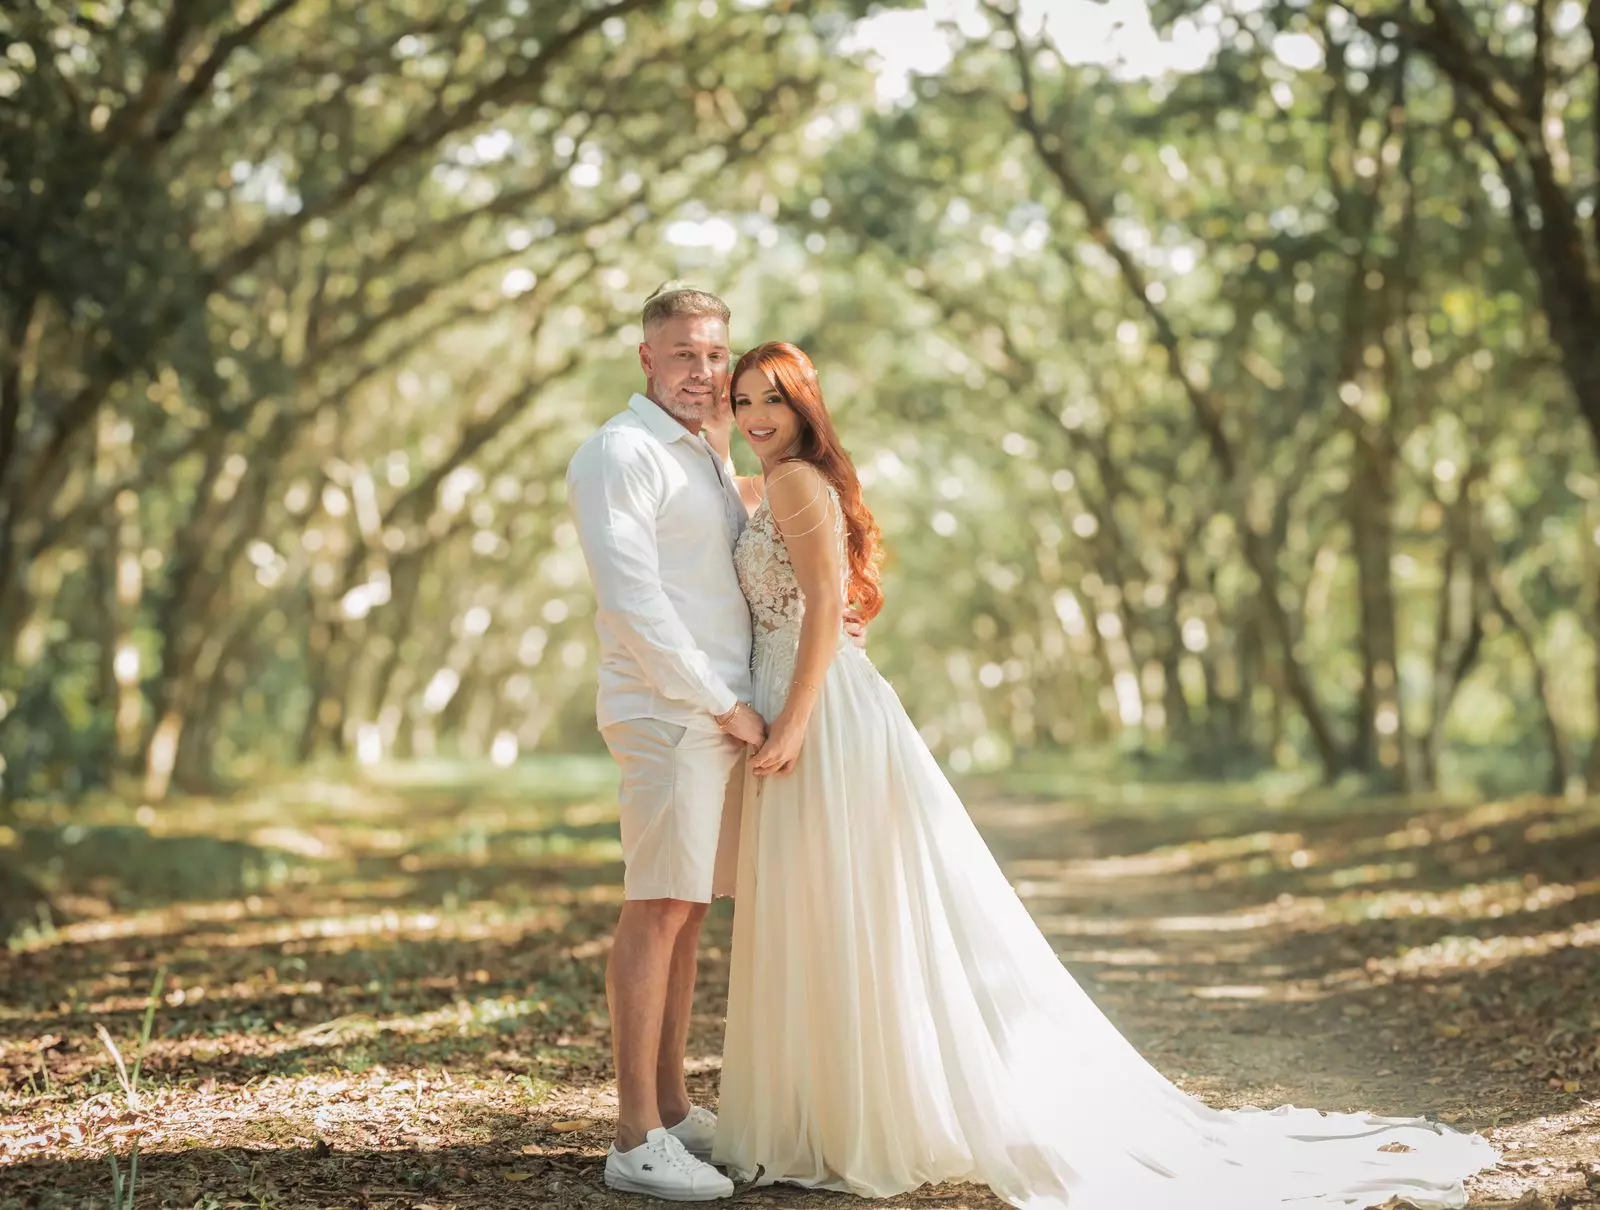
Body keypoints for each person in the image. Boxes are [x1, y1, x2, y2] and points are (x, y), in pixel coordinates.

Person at [711, 341, 1500, 1210]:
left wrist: (797, 717)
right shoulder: (777, 481)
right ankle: (833, 1113)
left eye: (771, 402)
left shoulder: (792, 482)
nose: (754, 418)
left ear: (804, 406)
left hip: (818, 719)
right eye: (742, 401)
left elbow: (829, 604)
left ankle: (842, 1120)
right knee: (829, 907)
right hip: (817, 705)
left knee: (840, 906)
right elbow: (750, 524)